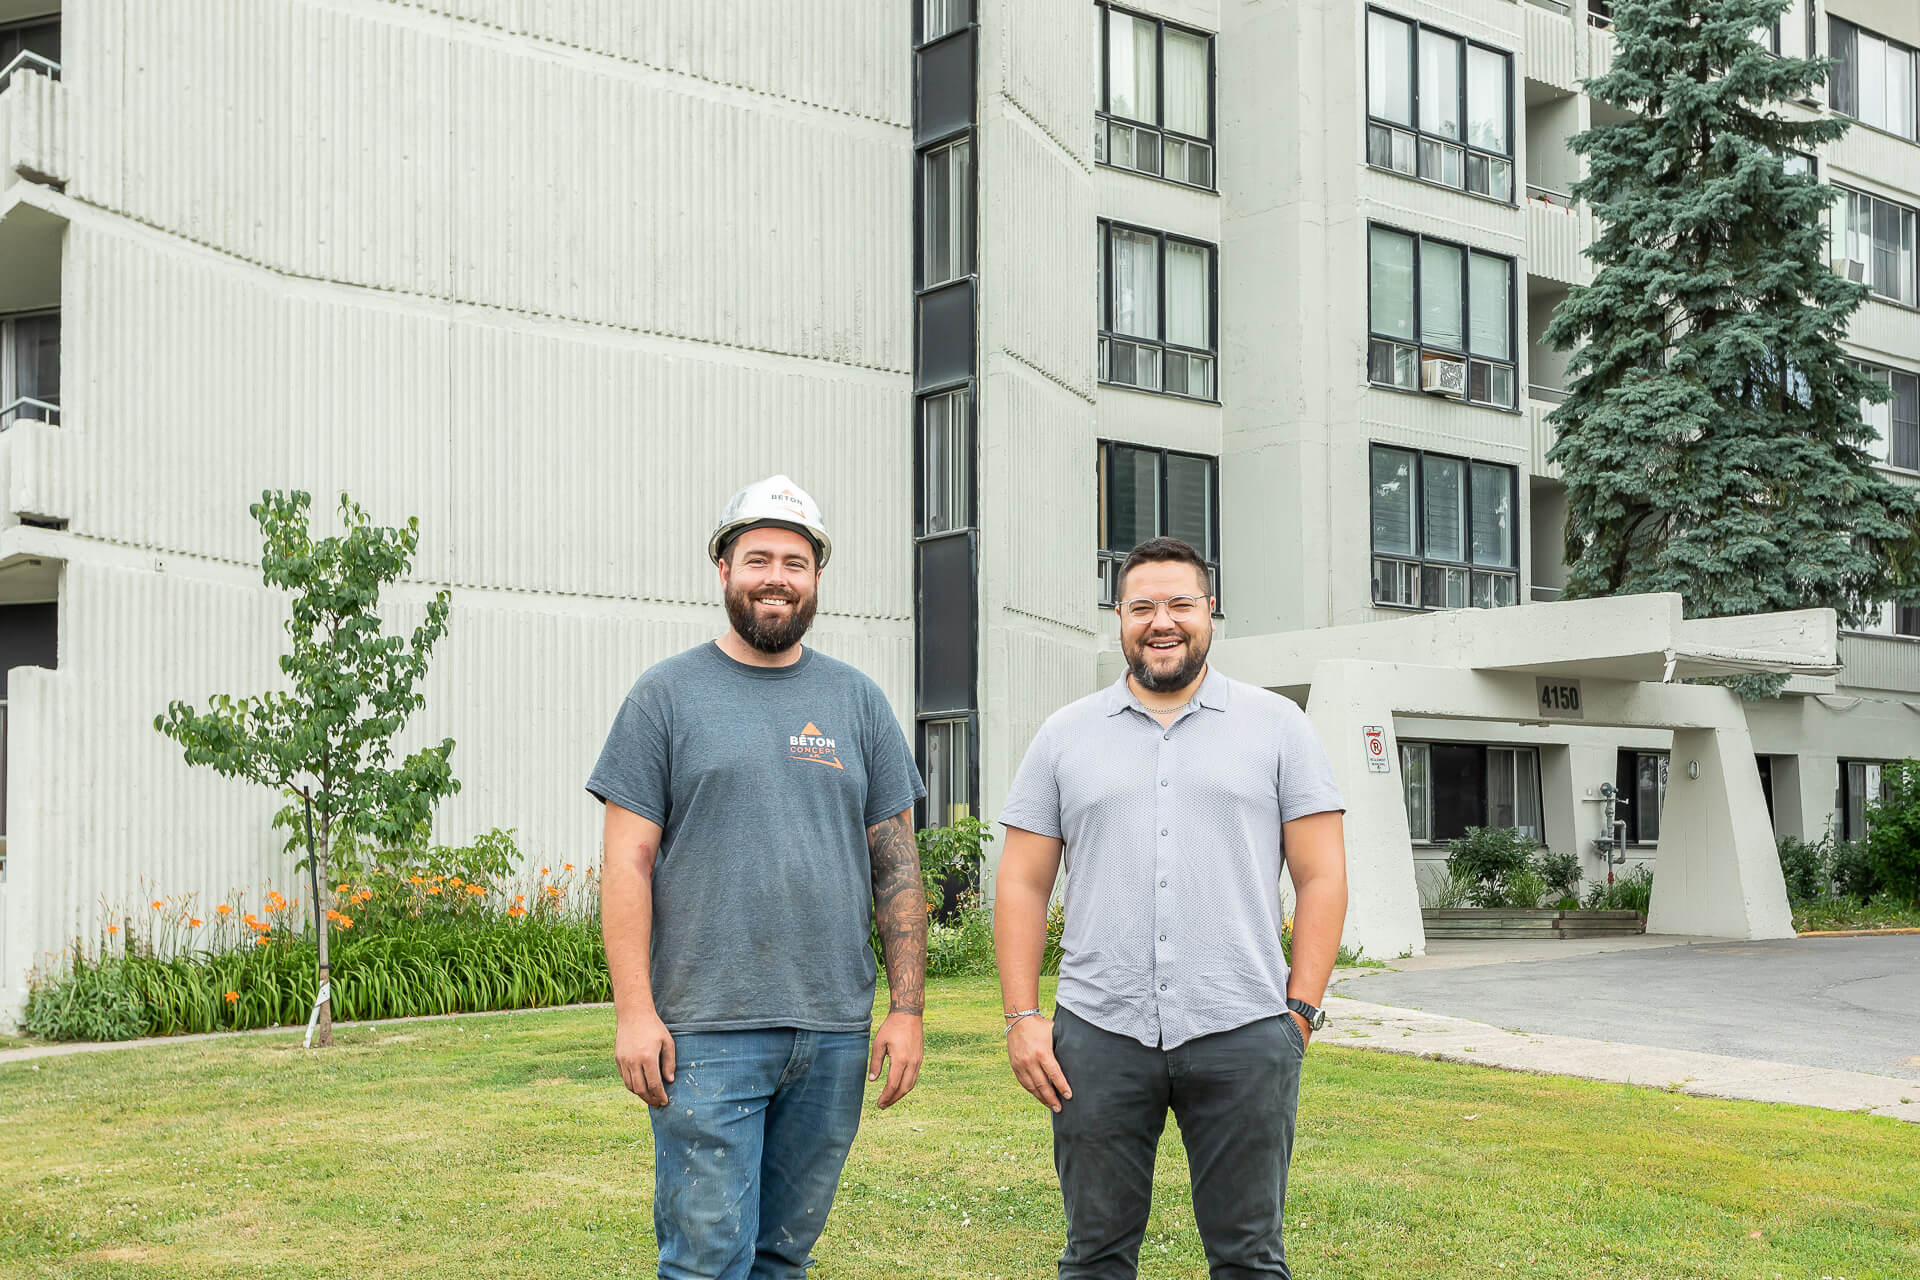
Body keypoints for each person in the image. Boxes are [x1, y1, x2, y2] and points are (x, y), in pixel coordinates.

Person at [588, 475, 928, 1280]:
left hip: (833, 1031)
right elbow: (626, 862)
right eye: (758, 559)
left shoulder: (858, 702)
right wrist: (635, 1012)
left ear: (816, 579)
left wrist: (907, 1010)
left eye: (795, 562)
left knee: (784, 1257)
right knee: (707, 1259)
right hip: (706, 1031)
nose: (776, 576)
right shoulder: (664, 698)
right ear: (723, 570)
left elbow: (899, 867)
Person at [993, 535, 1349, 1280]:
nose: (1163, 621)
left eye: (1181, 603)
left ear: (1211, 611)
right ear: (1118, 618)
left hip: (1244, 1028)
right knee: (1094, 1257)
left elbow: (1322, 877)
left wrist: (1300, 1014)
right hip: (1099, 1033)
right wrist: (1024, 1018)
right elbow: (1023, 882)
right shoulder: (1064, 735)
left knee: (1250, 1258)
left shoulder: (1278, 727)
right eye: (1142, 606)